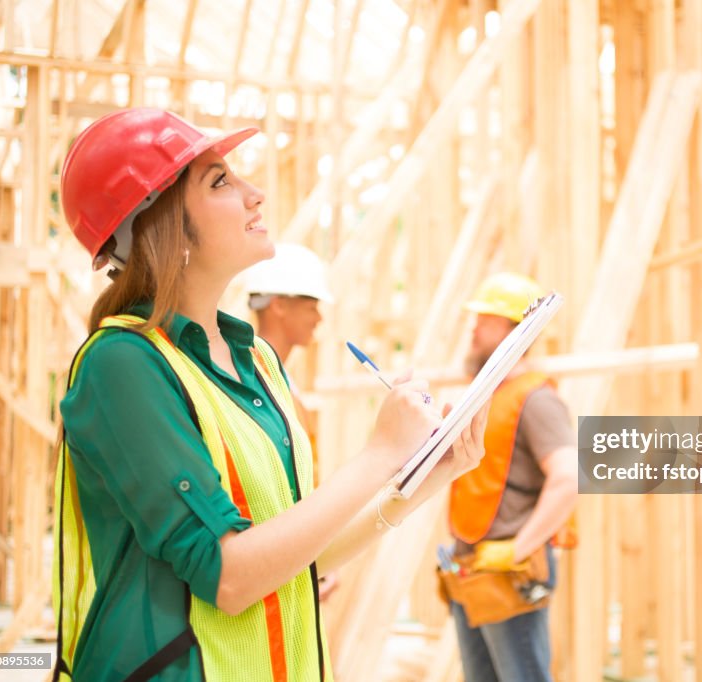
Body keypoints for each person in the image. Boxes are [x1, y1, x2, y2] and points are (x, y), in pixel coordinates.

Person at [53, 107, 488, 682]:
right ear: (160, 226)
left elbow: (295, 561)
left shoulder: (256, 361)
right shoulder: (123, 365)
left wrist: (422, 479)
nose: (254, 194)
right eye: (220, 182)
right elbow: (230, 578)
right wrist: (380, 453)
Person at [447, 272, 579, 682]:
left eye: (484, 319)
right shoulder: (485, 396)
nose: (474, 327)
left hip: (510, 570)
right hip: (474, 565)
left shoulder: (536, 398)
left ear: (512, 330)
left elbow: (568, 478)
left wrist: (518, 549)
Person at [240, 243, 340, 600]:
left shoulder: (280, 377)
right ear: (279, 305)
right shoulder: (248, 378)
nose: (319, 318)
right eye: (312, 306)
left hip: (289, 558)